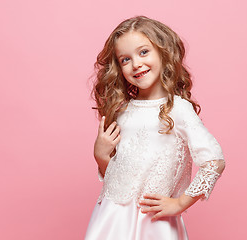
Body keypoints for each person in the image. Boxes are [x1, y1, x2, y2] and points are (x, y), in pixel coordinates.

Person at [84, 15, 225, 240]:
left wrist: (180, 202)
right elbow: (120, 176)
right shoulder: (122, 112)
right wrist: (101, 156)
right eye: (125, 59)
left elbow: (214, 161)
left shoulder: (177, 109)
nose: (136, 64)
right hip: (111, 219)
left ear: (163, 52)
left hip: (153, 222)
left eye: (143, 52)